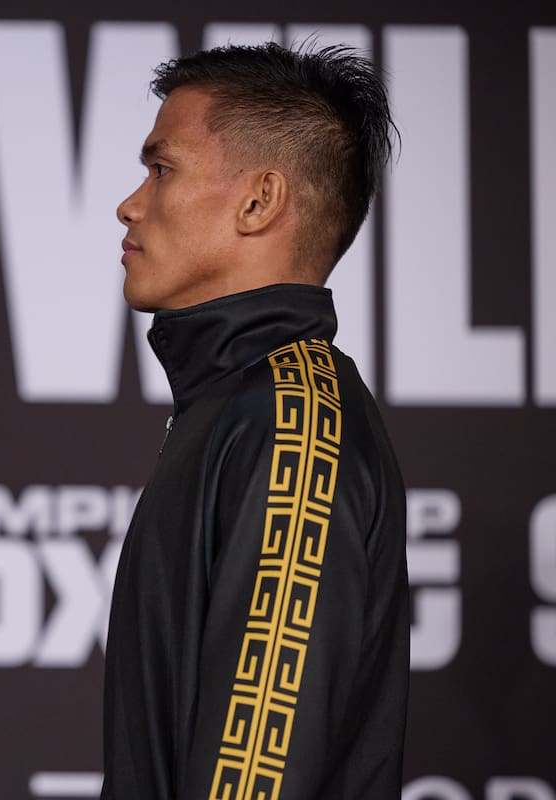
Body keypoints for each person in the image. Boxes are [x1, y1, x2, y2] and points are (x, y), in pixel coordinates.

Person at [102, 43, 408, 799]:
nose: (130, 204)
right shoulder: (241, 406)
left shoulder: (291, 419)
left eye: (161, 169)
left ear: (259, 201)